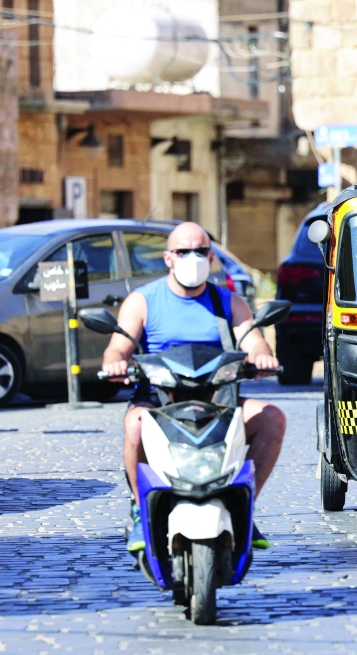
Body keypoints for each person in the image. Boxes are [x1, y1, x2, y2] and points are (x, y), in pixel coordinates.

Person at [101, 222, 286, 553]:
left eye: (200, 251)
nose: (193, 257)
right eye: (184, 251)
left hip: (218, 400)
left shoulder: (229, 302)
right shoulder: (143, 300)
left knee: (272, 418)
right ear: (168, 258)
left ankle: (242, 504)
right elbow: (117, 347)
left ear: (211, 257)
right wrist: (114, 363)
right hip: (159, 401)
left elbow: (254, 341)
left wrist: (262, 358)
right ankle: (140, 509)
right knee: (133, 426)